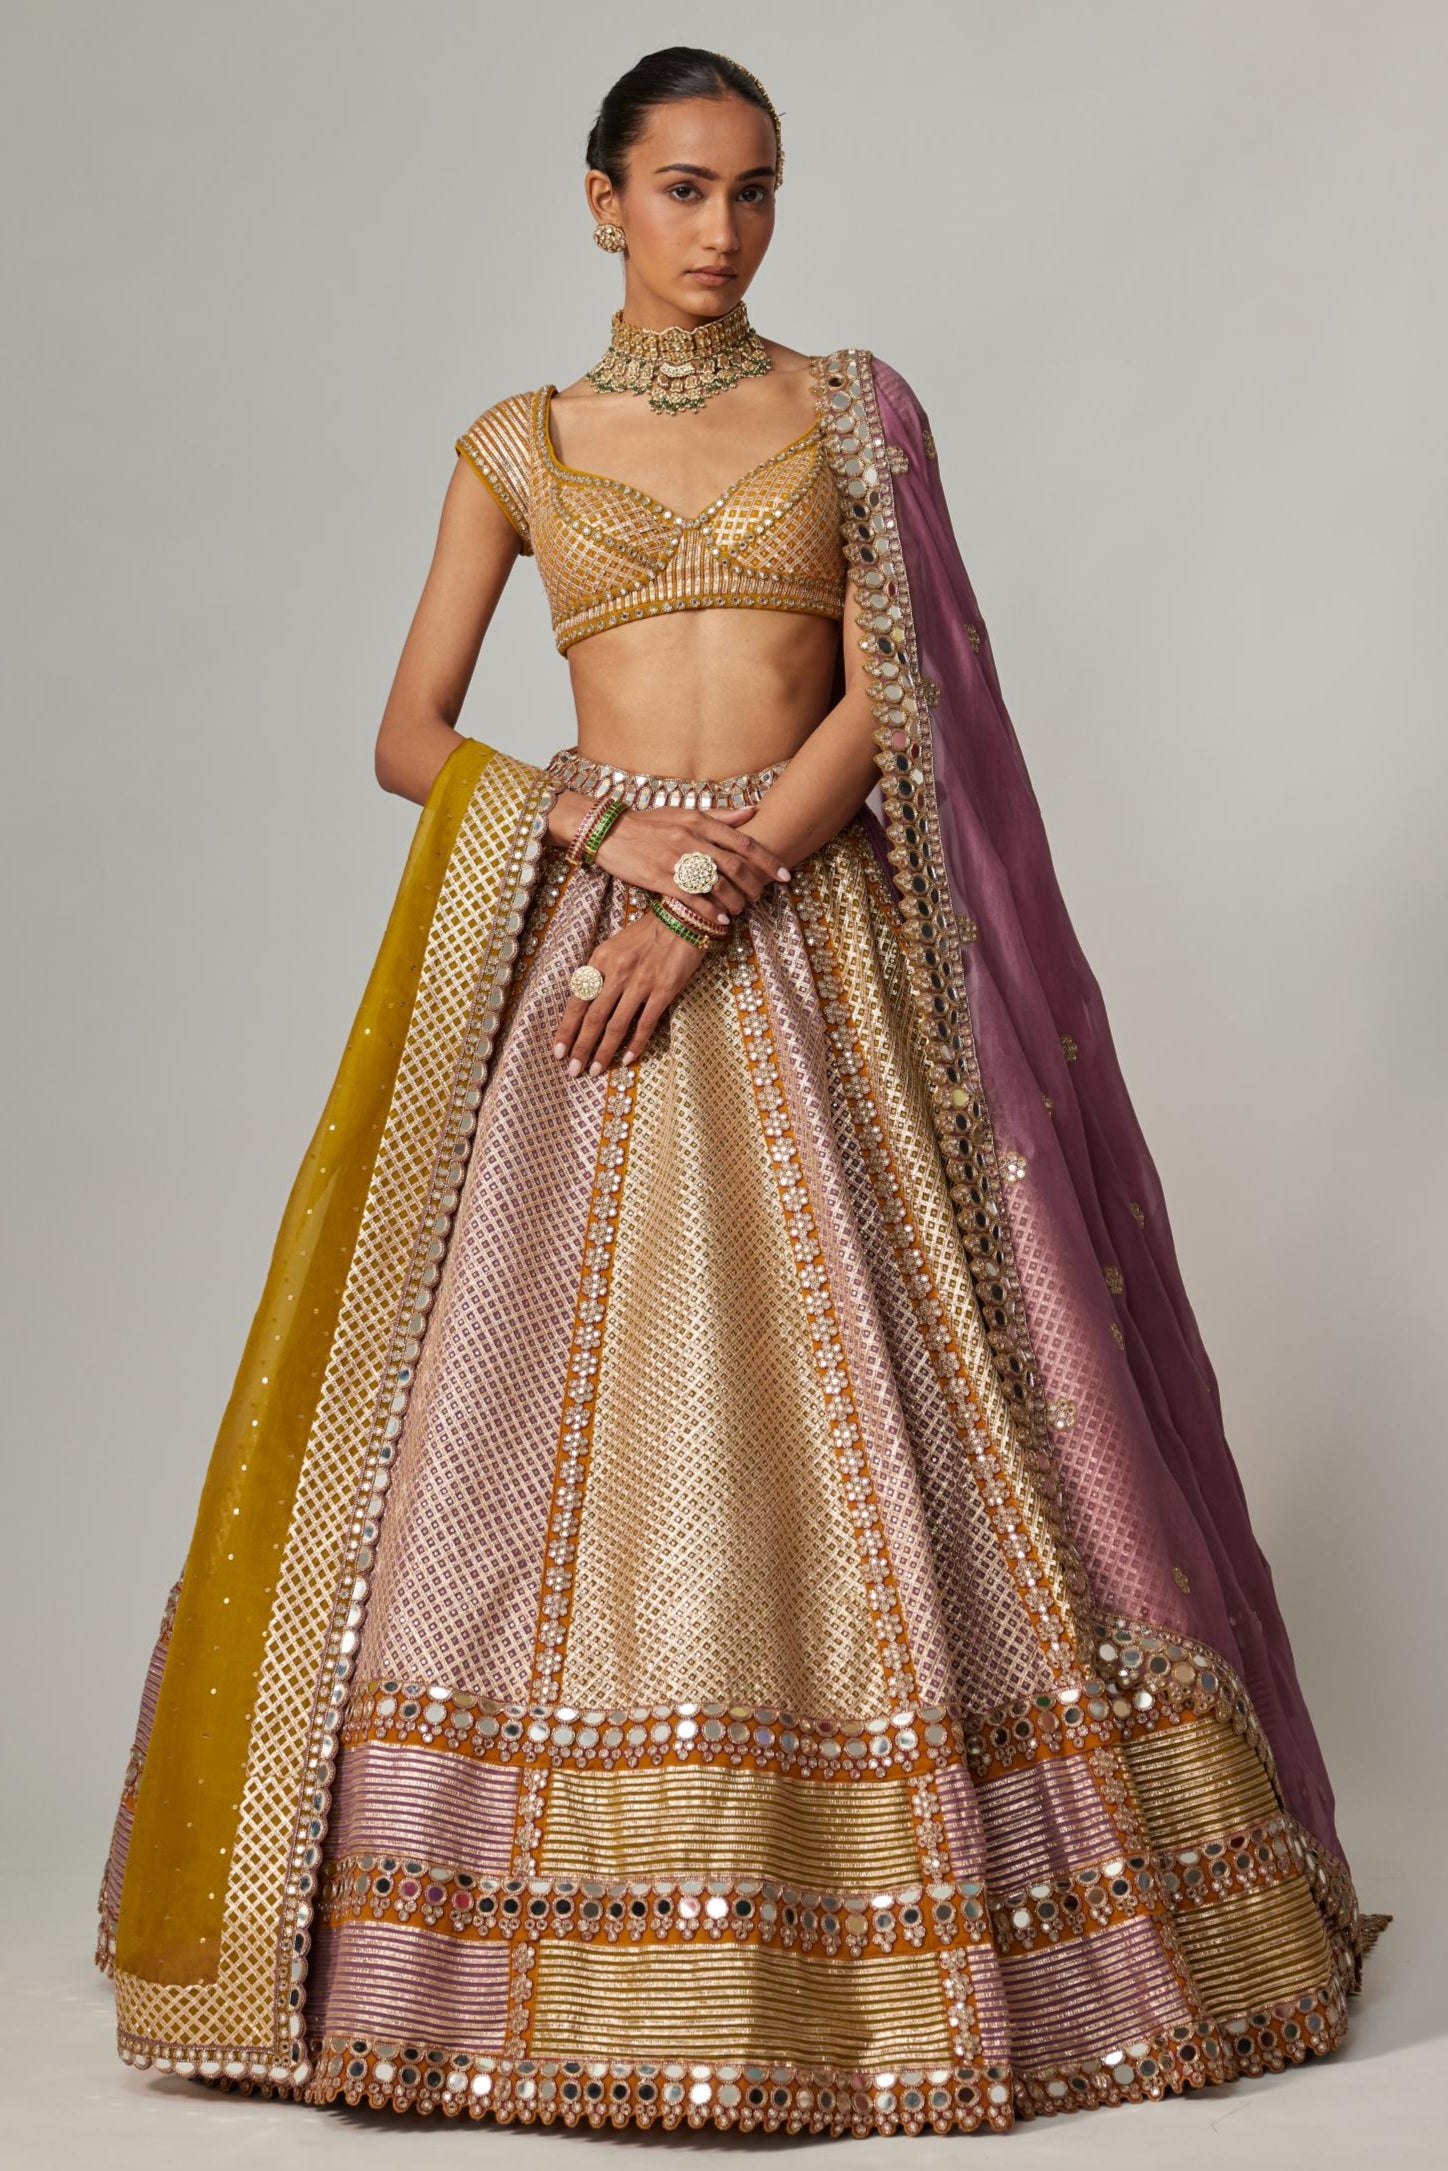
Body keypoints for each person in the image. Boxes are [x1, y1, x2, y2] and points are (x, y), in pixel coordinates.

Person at [97, 44, 1384, 2139]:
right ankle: (493, 1951)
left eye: (755, 188)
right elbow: (412, 733)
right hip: (582, 952)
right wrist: (610, 842)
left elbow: (894, 692)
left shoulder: (851, 412)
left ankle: (925, 1920)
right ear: (600, 199)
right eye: (683, 187)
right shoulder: (517, 442)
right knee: (533, 1413)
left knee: (886, 1392)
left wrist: (713, 890)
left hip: (811, 939)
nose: (723, 230)